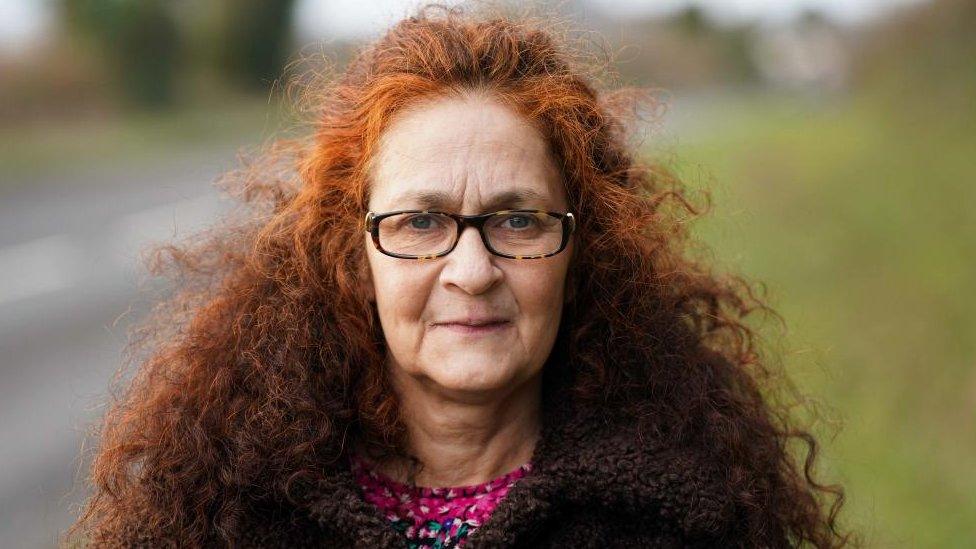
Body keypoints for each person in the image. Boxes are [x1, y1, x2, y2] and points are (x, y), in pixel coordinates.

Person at [67, 4, 854, 548]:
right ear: (353, 255)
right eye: (419, 222)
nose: (471, 271)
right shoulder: (228, 509)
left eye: (518, 220)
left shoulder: (686, 510)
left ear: (585, 251)